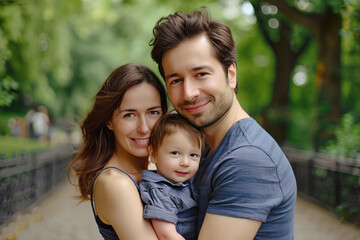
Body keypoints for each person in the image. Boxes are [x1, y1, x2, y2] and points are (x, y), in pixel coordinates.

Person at [149, 8, 297, 240]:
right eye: (176, 80)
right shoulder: (200, 148)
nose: (189, 93)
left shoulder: (248, 159)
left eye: (201, 74)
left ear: (231, 74)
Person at [68, 63, 168, 240]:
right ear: (109, 121)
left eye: (153, 112)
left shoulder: (153, 171)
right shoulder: (115, 184)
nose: (144, 128)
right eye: (129, 115)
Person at [140, 113, 205, 240]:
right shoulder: (160, 191)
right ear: (153, 154)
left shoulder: (189, 182)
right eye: (175, 153)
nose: (185, 163)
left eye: (193, 155)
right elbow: (166, 235)